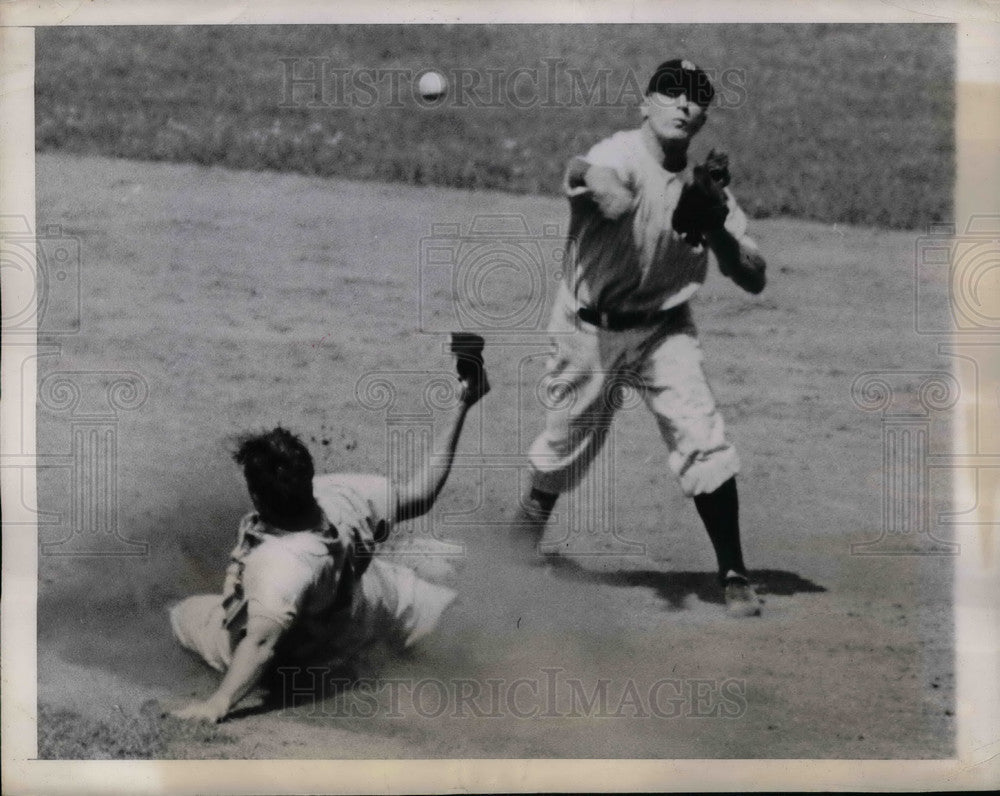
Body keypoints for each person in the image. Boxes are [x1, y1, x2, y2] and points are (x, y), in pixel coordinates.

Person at [512, 59, 767, 617]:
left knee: (702, 436)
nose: (683, 103)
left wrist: (718, 227)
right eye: (670, 91)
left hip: (664, 332)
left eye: (696, 97)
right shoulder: (617, 155)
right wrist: (602, 187)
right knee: (563, 445)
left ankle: (733, 571)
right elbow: (582, 170)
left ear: (702, 117)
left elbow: (753, 276)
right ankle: (520, 539)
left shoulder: (705, 190)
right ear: (644, 104)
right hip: (588, 329)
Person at [169, 338, 489, 723]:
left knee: (179, 614)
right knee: (439, 609)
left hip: (312, 655)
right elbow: (422, 495)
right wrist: (462, 404)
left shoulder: (282, 565)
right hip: (370, 610)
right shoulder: (343, 494)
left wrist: (216, 704)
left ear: (256, 495)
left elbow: (261, 643)